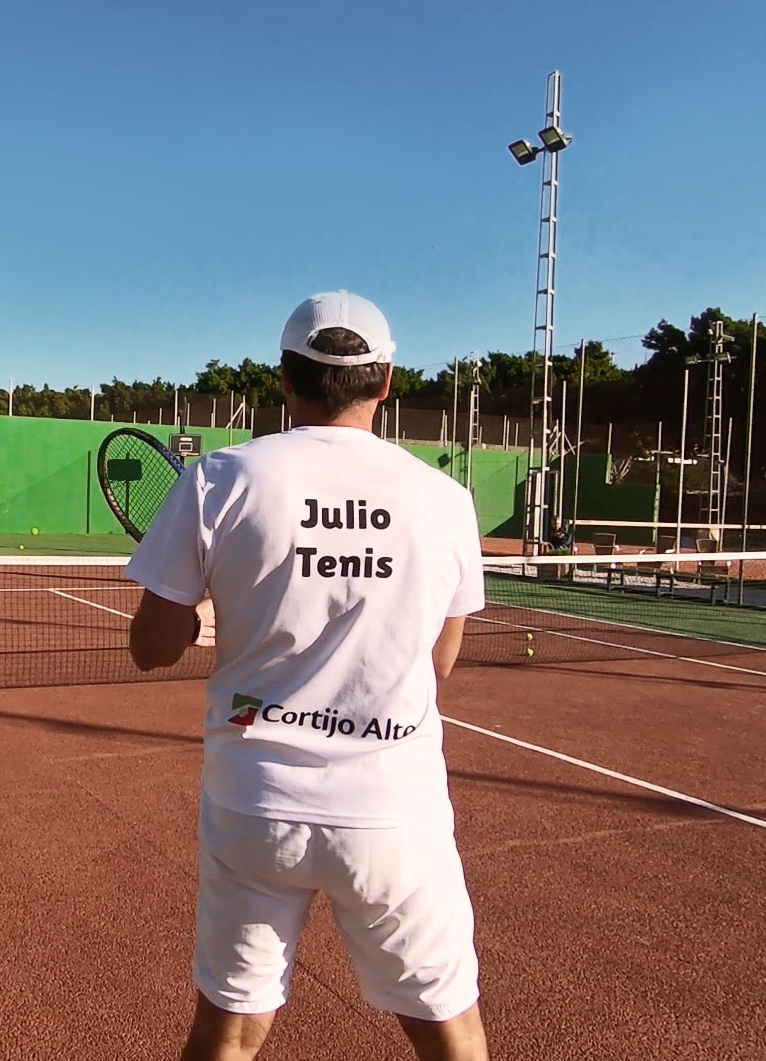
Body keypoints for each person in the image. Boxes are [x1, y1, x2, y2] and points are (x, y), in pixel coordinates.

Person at [124, 291, 490, 1061]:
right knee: (452, 1033)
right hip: (395, 812)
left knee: (227, 1034)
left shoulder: (219, 479)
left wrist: (192, 621)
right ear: (385, 382)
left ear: (286, 377)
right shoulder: (448, 500)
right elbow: (440, 662)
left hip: (256, 807)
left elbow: (150, 647)